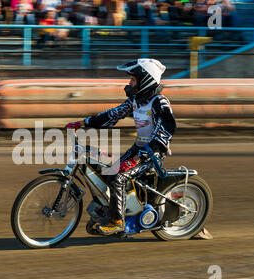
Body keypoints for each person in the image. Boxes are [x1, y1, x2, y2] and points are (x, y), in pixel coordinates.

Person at [65, 58, 176, 235]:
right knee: (109, 172)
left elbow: (167, 129)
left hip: (152, 154)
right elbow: (112, 115)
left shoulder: (159, 102)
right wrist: (82, 123)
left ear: (145, 80)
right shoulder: (136, 101)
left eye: (132, 80)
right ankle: (112, 210)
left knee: (118, 178)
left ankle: (117, 221)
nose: (129, 84)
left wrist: (140, 158)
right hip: (138, 149)